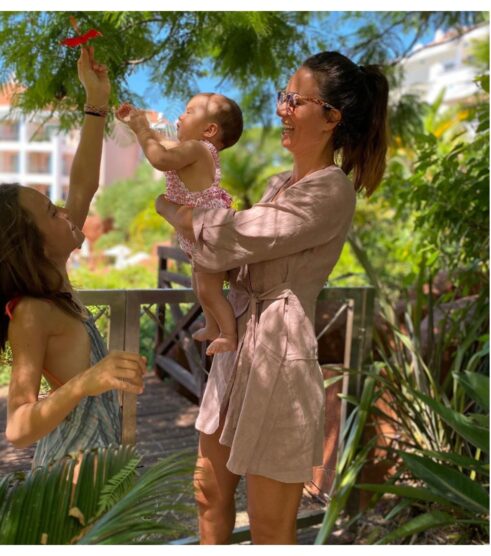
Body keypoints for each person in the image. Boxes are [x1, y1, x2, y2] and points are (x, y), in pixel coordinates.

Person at [155, 50, 388, 544]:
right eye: (282, 97)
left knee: (270, 528)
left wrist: (174, 211)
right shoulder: (278, 183)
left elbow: (224, 240)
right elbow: (229, 250)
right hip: (239, 348)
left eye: (293, 99)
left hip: (279, 358)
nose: (281, 108)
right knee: (207, 495)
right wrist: (205, 229)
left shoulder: (331, 191)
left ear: (330, 117)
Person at [0, 47, 145, 467]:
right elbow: (18, 427)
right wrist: (88, 382)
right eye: (52, 212)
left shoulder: (53, 277)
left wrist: (95, 104)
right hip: (68, 478)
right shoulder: (31, 312)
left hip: (99, 467)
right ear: (33, 245)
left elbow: (82, 188)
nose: (67, 211)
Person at [116, 93, 244, 356]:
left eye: (190, 111)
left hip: (208, 232)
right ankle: (212, 325)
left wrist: (142, 129)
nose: (181, 116)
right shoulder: (191, 149)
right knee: (200, 286)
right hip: (197, 232)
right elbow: (161, 144)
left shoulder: (197, 149)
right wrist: (141, 125)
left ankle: (229, 335)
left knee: (209, 289)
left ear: (209, 130)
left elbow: (160, 158)